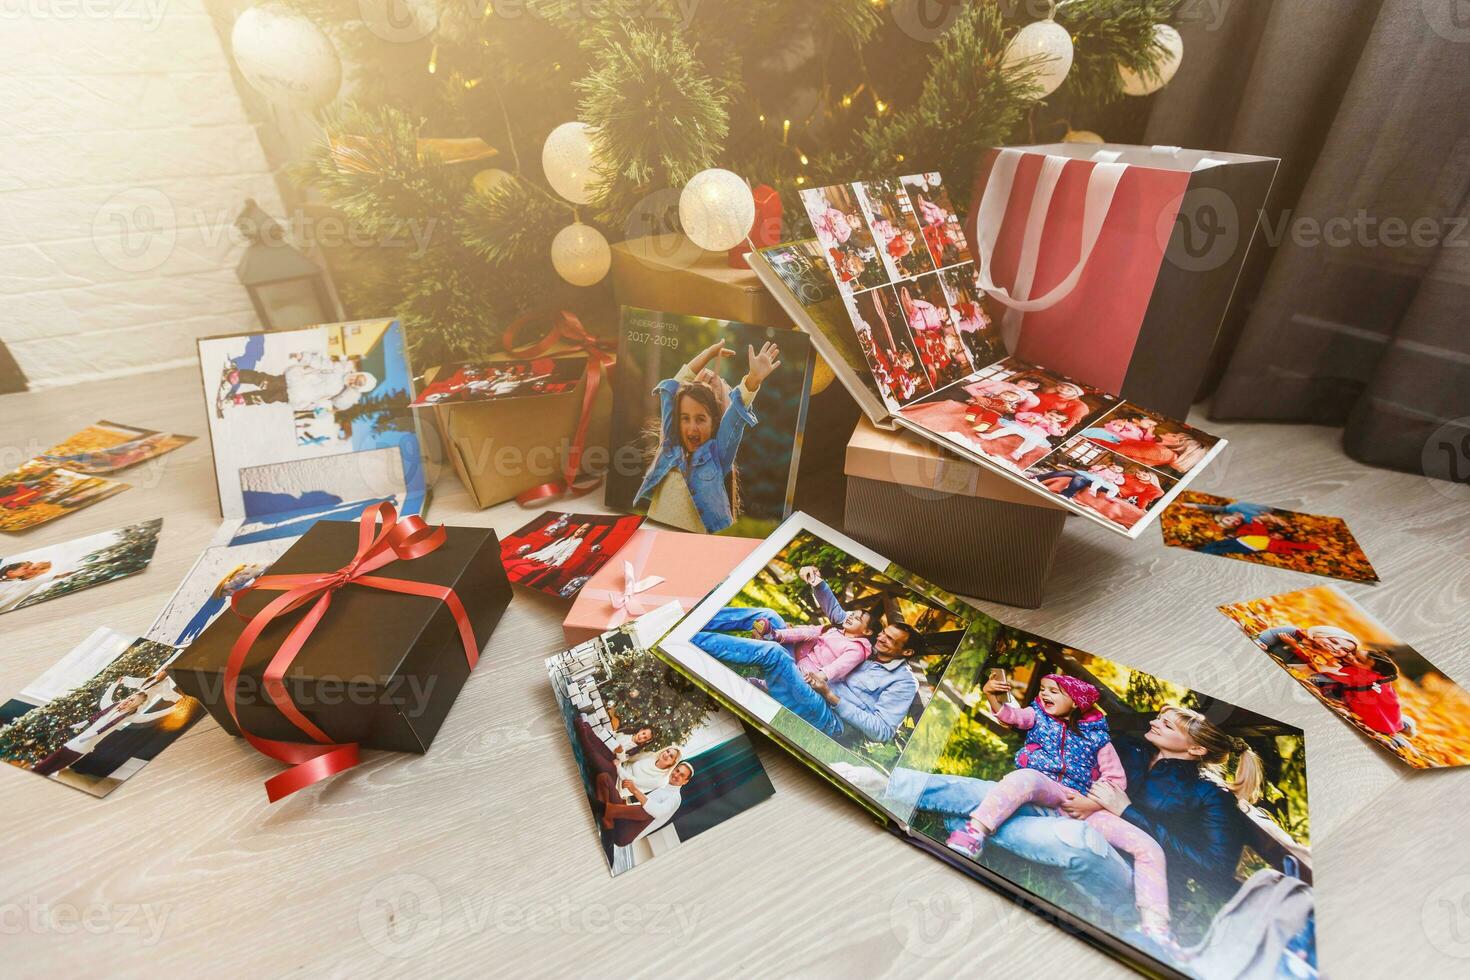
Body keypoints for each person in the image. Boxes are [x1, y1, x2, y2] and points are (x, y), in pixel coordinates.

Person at [882, 703, 1263, 944]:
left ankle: (967, 823)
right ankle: (885, 782)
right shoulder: (1130, 750)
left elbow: (1212, 868)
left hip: (1128, 876)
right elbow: (1074, 758)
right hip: (1068, 818)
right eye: (1158, 718)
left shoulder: (1212, 797)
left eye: (1170, 724)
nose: (1155, 723)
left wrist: (1126, 812)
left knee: (1070, 833)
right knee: (997, 791)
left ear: (1197, 749)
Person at [945, 674, 1179, 950]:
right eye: (1043, 689)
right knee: (1026, 778)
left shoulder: (1097, 737)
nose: (1045, 695)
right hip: (1046, 786)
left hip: (1084, 803)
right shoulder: (1038, 716)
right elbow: (1011, 716)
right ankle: (975, 832)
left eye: (1054, 691)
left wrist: (1089, 804)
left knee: (1148, 846)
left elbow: (1116, 780)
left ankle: (1156, 929)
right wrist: (992, 696)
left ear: (1076, 702)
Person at [693, 587, 923, 745]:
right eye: (883, 634)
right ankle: (696, 617)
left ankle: (691, 640)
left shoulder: (903, 682)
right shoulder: (869, 645)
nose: (881, 640)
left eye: (891, 640)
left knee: (773, 654)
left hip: (830, 717)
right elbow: (839, 622)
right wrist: (818, 586)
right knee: (769, 615)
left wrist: (832, 697)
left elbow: (882, 732)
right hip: (807, 679)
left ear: (907, 652)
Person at [633, 340, 782, 534]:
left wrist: (753, 379)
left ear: (715, 420)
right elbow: (672, 390)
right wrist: (708, 353)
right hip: (653, 534)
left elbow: (735, 415)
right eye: (686, 417)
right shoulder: (671, 444)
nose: (692, 426)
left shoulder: (718, 454)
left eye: (716, 386)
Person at [748, 566, 874, 685]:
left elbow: (838, 667)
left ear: (868, 632)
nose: (850, 617)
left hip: (810, 671)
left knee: (789, 675)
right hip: (800, 652)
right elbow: (812, 629)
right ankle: (771, 634)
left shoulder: (857, 649)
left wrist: (820, 677)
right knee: (776, 617)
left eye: (857, 618)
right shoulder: (837, 629)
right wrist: (793, 628)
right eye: (851, 614)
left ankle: (763, 682)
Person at [1309, 647, 1416, 748]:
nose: (1351, 656)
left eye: (1358, 660)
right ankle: (1402, 724)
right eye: (1354, 654)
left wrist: (1313, 675)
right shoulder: (1381, 678)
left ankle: (1399, 739)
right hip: (1389, 710)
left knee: (1320, 679)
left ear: (1374, 671)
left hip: (1376, 720)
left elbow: (1327, 676)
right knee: (1389, 718)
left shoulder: (1359, 675)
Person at [229, 352, 377, 412]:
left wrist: (311, 406)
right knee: (266, 382)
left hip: (297, 397)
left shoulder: (339, 391)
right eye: (357, 377)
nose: (353, 380)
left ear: (355, 388)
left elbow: (322, 401)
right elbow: (319, 363)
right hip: (295, 381)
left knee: (268, 397)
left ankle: (242, 399)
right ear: (357, 373)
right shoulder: (339, 369)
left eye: (356, 383)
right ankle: (239, 376)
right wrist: (303, 357)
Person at [597, 761, 694, 847]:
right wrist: (625, 803)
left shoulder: (676, 798)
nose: (676, 775)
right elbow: (640, 804)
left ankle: (604, 809)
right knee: (604, 778)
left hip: (626, 833)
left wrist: (635, 790)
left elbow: (657, 812)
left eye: (682, 775)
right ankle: (607, 819)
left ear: (685, 781)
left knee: (649, 811)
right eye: (677, 771)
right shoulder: (664, 785)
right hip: (620, 819)